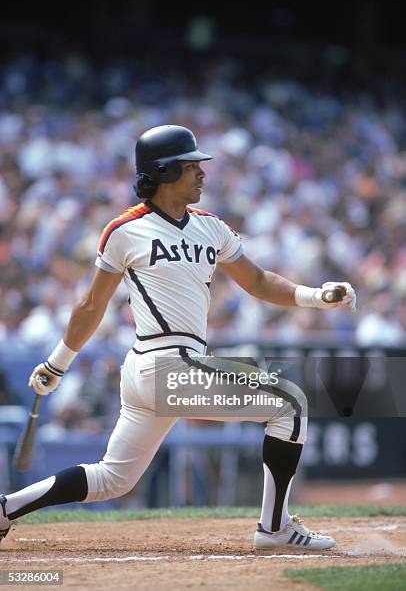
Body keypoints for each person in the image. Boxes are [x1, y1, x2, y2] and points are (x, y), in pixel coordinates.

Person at [0, 125, 356, 549]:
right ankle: (274, 529)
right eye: (192, 167)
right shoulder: (125, 229)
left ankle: (5, 507)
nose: (202, 173)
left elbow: (258, 281)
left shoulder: (211, 227)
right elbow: (91, 305)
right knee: (291, 404)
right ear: (164, 172)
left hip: (160, 368)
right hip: (164, 365)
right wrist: (58, 362)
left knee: (113, 478)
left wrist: (316, 296)